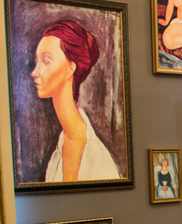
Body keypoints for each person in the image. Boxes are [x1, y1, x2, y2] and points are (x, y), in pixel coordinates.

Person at [31, 20, 121, 182]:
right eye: (37, 61)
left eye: (46, 61)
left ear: (71, 68)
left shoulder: (97, 157)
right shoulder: (59, 152)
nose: (35, 72)